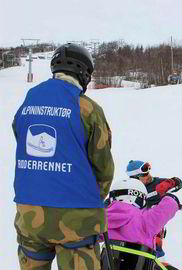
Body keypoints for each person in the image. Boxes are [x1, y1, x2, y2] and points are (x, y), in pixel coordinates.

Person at [12, 43, 114, 270]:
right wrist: (94, 198)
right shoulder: (87, 108)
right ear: (84, 73)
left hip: (29, 215)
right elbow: (104, 168)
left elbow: (20, 139)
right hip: (75, 220)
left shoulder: (28, 102)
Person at [101, 178, 181, 270]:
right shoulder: (144, 218)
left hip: (107, 263)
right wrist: (170, 197)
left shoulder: (105, 217)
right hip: (139, 263)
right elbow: (169, 206)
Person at [125, 160, 182, 258]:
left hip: (154, 226)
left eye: (148, 173)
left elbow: (179, 183)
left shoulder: (157, 183)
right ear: (135, 179)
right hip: (135, 230)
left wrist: (171, 182)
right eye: (143, 175)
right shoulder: (129, 189)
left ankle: (156, 255)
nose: (148, 176)